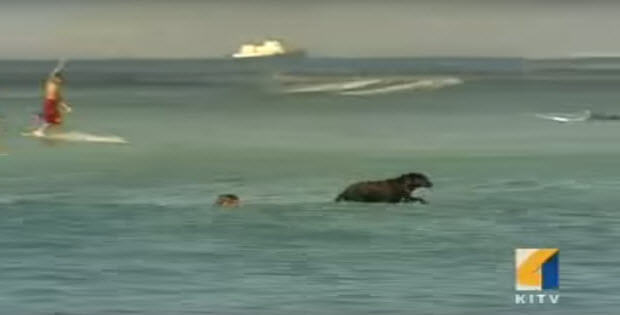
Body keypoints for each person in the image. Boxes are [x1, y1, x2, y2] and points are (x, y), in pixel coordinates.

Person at [32, 71, 72, 136]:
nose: (61, 81)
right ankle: (39, 131)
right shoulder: (50, 84)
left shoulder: (56, 86)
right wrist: (65, 107)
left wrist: (66, 107)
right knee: (50, 120)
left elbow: (59, 98)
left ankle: (43, 126)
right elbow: (57, 97)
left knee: (58, 120)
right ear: (56, 78)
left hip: (53, 103)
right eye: (59, 79)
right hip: (49, 103)